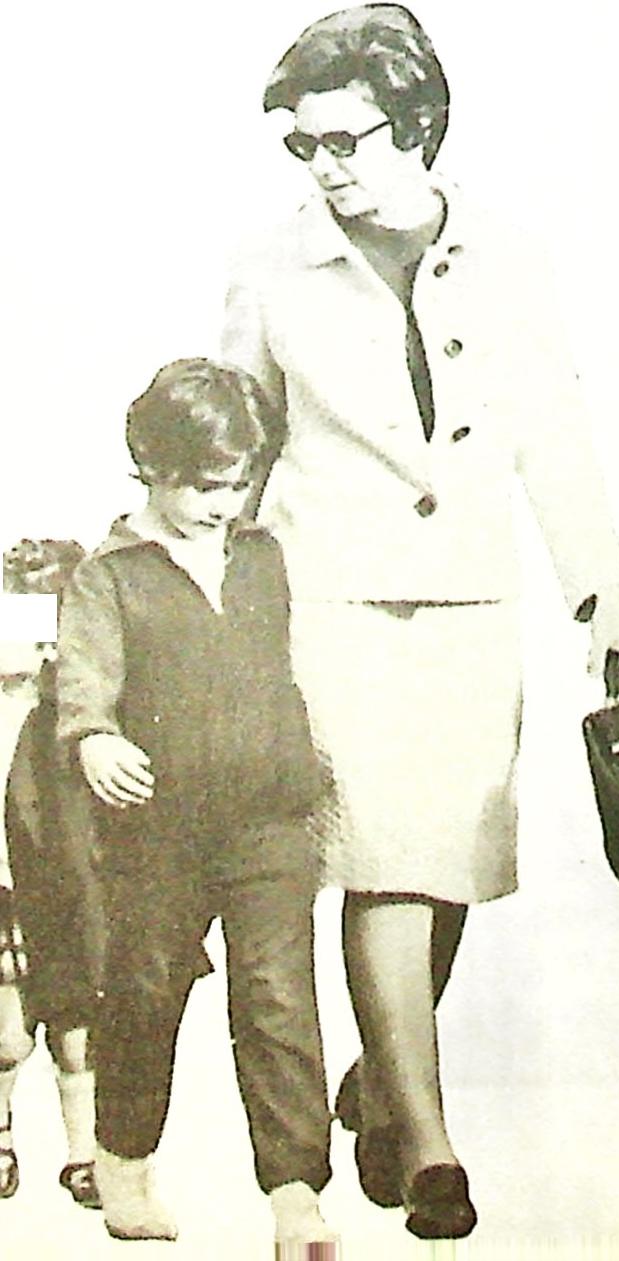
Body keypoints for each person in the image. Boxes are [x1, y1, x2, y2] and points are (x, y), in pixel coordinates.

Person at [221, 3, 619, 1240]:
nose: (322, 166)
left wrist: (599, 588)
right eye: (300, 144)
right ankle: (430, 1145)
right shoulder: (268, 265)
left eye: (343, 140)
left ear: (415, 125)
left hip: (469, 597)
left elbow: (551, 431)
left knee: (445, 856)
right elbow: (237, 441)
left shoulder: (508, 256)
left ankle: (380, 1084)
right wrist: (194, 595)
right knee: (385, 860)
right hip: (327, 600)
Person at [55, 358, 337, 1245]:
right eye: (206, 485)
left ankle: (295, 1190)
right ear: (153, 465)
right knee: (144, 992)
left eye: (238, 482)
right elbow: (84, 683)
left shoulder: (261, 556)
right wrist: (95, 738)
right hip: (158, 829)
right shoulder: (110, 574)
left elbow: (305, 662)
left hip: (269, 820)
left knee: (278, 999)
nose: (225, 502)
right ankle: (123, 1161)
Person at [1, 539, 102, 1210]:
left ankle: (85, 1154)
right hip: (5, 887)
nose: (42, 653)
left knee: (77, 1029)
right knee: (7, 1034)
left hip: (66, 889)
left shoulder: (78, 718)